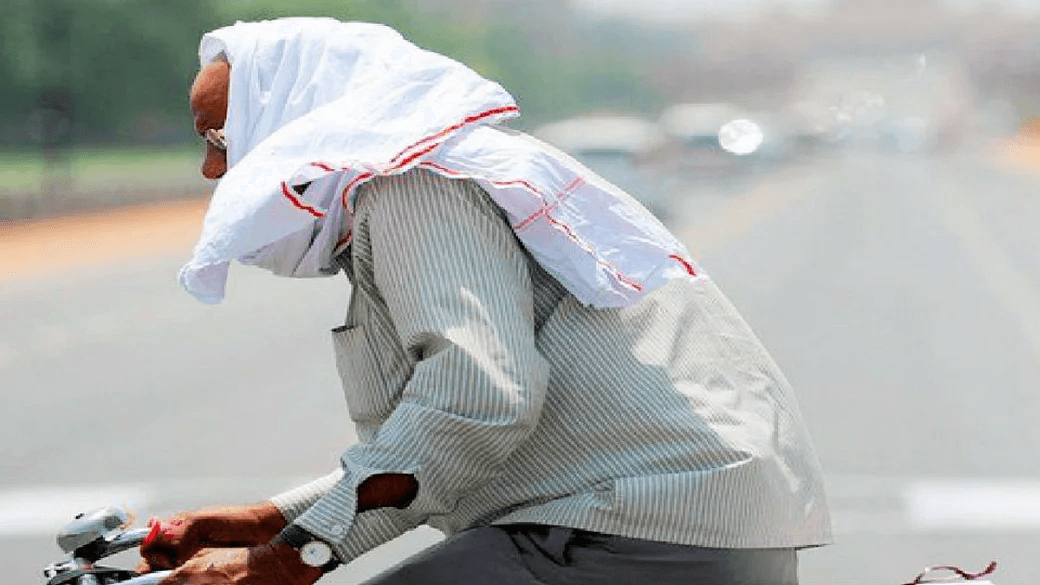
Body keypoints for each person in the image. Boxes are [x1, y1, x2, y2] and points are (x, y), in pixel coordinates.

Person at [142, 17, 831, 585]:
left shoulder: (413, 184)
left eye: (220, 138)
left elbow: (475, 395)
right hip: (692, 527)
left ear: (289, 114)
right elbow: (439, 431)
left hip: (633, 530)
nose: (212, 169)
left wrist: (287, 560)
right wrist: (270, 520)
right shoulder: (431, 176)